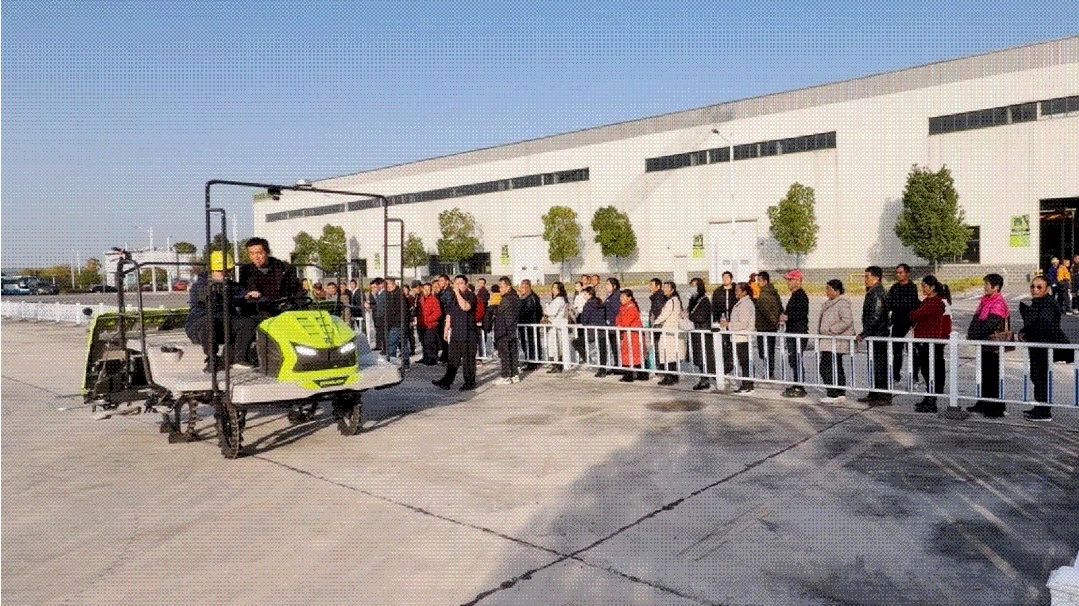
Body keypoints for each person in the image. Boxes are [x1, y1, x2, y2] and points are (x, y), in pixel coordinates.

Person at [185, 251, 257, 372]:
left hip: (224, 323)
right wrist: (241, 298)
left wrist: (252, 296)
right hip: (199, 324)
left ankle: (239, 358)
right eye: (220, 271)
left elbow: (242, 295)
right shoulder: (200, 285)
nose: (224, 274)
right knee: (209, 323)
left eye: (227, 271)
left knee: (248, 323)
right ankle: (212, 359)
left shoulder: (232, 286)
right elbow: (216, 300)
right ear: (212, 270)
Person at [1018, 275, 1071, 421]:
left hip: (1044, 347)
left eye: (1039, 287)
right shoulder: (1038, 302)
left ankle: (1044, 412)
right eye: (1032, 286)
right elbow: (1033, 323)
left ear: (1047, 289)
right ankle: (1040, 407)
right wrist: (1024, 331)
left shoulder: (1047, 303)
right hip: (1038, 347)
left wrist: (1027, 333)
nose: (1035, 290)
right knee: (1037, 376)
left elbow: (1042, 325)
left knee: (1041, 378)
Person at [967, 273, 1010, 418]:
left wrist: (974, 335)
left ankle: (996, 407)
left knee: (992, 376)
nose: (985, 287)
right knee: (984, 375)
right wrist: (971, 333)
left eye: (987, 284)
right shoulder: (985, 300)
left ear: (996, 287)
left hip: (993, 345)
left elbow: (990, 324)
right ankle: (983, 403)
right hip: (984, 343)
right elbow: (976, 319)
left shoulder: (998, 303)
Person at [909, 275, 950, 413]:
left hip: (931, 342)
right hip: (924, 341)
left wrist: (913, 313)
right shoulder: (928, 301)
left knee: (931, 371)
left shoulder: (935, 302)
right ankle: (928, 397)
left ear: (932, 287)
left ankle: (932, 401)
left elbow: (915, 315)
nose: (923, 289)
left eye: (924, 286)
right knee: (926, 371)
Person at [433, 275, 479, 391]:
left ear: (466, 284)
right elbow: (449, 314)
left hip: (468, 333)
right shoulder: (452, 297)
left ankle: (469, 383)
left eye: (461, 283)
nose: (458, 286)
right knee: (453, 359)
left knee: (468, 361)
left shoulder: (471, 296)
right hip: (456, 332)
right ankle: (446, 381)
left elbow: (465, 307)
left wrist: (458, 293)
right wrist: (446, 329)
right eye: (456, 283)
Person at [239, 237, 305, 312]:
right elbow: (243, 295)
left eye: (259, 253)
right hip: (256, 312)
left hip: (283, 311)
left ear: (267, 252)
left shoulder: (284, 268)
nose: (256, 257)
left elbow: (297, 292)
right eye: (252, 254)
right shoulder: (246, 271)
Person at [857, 265, 892, 404]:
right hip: (874, 334)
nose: (865, 279)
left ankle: (883, 396)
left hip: (878, 334)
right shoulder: (872, 291)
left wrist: (864, 333)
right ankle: (874, 393)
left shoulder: (877, 292)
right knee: (873, 365)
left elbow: (875, 316)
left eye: (867, 276)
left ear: (876, 277)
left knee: (879, 366)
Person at [817, 279, 855, 403]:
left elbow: (847, 320)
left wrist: (832, 330)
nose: (826, 291)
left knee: (825, 367)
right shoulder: (830, 303)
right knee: (836, 366)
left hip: (835, 341)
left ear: (837, 291)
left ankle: (832, 394)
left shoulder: (842, 303)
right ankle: (840, 393)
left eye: (829, 289)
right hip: (829, 341)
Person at [887, 263, 920, 384]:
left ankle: (914, 375)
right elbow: (888, 303)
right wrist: (896, 305)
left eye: (901, 273)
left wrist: (897, 304)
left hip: (909, 324)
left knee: (911, 351)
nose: (898, 275)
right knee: (896, 351)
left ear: (907, 273)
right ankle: (895, 374)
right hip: (897, 323)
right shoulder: (894, 287)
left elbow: (908, 304)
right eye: (897, 273)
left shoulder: (912, 287)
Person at [721, 282, 756, 394]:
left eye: (737, 290)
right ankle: (746, 383)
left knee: (745, 362)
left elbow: (743, 323)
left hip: (743, 337)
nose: (735, 292)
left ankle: (748, 385)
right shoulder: (741, 303)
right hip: (739, 337)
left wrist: (729, 325)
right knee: (741, 361)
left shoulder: (745, 304)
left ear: (744, 292)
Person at [780, 269, 809, 398]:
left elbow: (801, 314)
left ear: (797, 281)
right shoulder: (794, 295)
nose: (788, 283)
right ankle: (797, 383)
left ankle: (800, 386)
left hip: (798, 333)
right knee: (793, 360)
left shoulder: (801, 296)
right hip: (792, 332)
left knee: (796, 360)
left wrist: (788, 317)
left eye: (790, 280)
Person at [653, 281, 685, 385]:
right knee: (672, 356)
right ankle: (673, 376)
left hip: (669, 332)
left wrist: (655, 323)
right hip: (672, 331)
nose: (664, 289)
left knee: (668, 355)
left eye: (667, 287)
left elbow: (664, 315)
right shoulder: (675, 301)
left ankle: (670, 377)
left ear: (672, 289)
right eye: (664, 287)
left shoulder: (671, 301)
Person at [491, 277, 521, 384]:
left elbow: (499, 312)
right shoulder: (515, 297)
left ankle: (505, 376)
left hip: (504, 329)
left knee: (505, 354)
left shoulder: (507, 299)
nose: (500, 289)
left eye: (502, 287)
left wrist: (493, 308)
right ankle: (514, 374)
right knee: (512, 353)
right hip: (511, 329)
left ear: (508, 287)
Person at [686, 277, 713, 391]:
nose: (692, 288)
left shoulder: (704, 300)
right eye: (691, 285)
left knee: (703, 357)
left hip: (702, 333)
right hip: (696, 333)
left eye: (694, 285)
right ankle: (703, 378)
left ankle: (705, 380)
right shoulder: (693, 300)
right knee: (699, 358)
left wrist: (689, 316)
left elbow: (702, 317)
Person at [754, 271, 783, 379]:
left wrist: (774, 322)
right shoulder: (774, 292)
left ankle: (769, 372)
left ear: (765, 281)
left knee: (764, 351)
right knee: (770, 350)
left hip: (764, 327)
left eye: (759, 280)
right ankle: (770, 372)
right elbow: (780, 306)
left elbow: (766, 311)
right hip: (771, 327)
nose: (758, 283)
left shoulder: (764, 295)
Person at [615, 289, 648, 382]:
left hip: (634, 335)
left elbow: (625, 322)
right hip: (628, 335)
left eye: (623, 297)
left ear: (629, 298)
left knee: (633, 355)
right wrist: (619, 324)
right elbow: (618, 319)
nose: (621, 298)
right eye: (621, 297)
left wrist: (620, 324)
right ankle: (638, 375)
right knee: (631, 354)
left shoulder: (631, 308)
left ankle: (631, 375)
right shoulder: (623, 308)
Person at [711, 271, 737, 385]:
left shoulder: (735, 290)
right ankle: (723, 370)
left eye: (727, 277)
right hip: (722, 324)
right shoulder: (718, 291)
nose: (725, 279)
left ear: (731, 278)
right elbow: (714, 307)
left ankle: (731, 367)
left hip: (734, 323)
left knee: (733, 346)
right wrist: (717, 321)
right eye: (723, 277)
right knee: (723, 346)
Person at [383, 278, 410, 369]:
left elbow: (402, 310)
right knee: (403, 344)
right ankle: (406, 363)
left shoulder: (398, 295)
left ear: (392, 284)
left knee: (392, 344)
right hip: (399, 323)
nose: (387, 287)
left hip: (397, 324)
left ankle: (392, 364)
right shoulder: (393, 294)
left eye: (387, 285)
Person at [543, 282, 571, 372]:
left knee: (556, 347)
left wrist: (546, 308)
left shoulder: (559, 299)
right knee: (554, 346)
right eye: (553, 287)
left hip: (557, 326)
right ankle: (556, 365)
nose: (553, 289)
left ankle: (558, 365)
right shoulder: (556, 299)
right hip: (554, 325)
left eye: (555, 288)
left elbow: (552, 312)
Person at [517, 279, 544, 370]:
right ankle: (530, 359)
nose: (521, 289)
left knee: (531, 343)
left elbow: (529, 311)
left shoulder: (531, 298)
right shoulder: (524, 297)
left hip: (529, 324)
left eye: (523, 287)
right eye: (521, 287)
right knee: (526, 343)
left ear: (528, 287)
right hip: (525, 325)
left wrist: (520, 317)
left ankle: (533, 362)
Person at [598, 277, 622, 377]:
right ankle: (617, 366)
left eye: (608, 284)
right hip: (609, 325)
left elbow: (616, 311)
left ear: (614, 286)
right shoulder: (611, 296)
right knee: (614, 347)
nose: (606, 286)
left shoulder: (616, 296)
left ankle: (618, 366)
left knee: (615, 347)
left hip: (613, 325)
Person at [578, 286, 606, 369]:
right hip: (602, 329)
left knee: (576, 343)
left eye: (585, 294)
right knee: (602, 349)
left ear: (590, 294)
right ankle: (602, 368)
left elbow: (584, 320)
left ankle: (588, 360)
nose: (583, 296)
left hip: (592, 331)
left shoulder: (588, 305)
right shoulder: (599, 303)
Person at [646, 277, 667, 377]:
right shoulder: (655, 297)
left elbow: (659, 313)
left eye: (652, 285)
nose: (650, 287)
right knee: (657, 349)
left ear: (658, 286)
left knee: (659, 349)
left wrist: (655, 324)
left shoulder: (659, 297)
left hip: (658, 327)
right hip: (655, 327)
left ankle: (662, 369)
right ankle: (660, 368)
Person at [417, 282, 441, 365]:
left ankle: (432, 359)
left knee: (430, 343)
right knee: (423, 342)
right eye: (425, 289)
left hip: (430, 325)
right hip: (421, 324)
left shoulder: (434, 300)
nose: (427, 291)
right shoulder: (420, 299)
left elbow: (438, 313)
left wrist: (428, 319)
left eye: (428, 289)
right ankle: (425, 357)